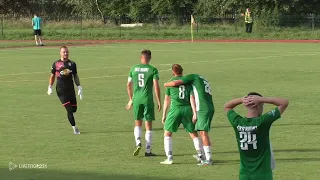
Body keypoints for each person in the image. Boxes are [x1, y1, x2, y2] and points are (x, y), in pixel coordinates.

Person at [224, 92, 289, 180]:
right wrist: (262, 99)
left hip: (244, 175)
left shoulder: (237, 122)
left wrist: (242, 99)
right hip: (262, 175)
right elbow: (284, 102)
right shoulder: (262, 122)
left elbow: (227, 106)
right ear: (259, 105)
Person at [164, 71, 214, 166]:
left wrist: (165, 84)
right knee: (197, 132)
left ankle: (208, 159)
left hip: (202, 108)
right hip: (208, 106)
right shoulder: (203, 79)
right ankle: (202, 156)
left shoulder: (193, 77)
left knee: (203, 133)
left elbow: (175, 83)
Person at [161, 64, 204, 165]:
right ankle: (201, 156)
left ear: (173, 72)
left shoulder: (170, 83)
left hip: (175, 110)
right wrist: (194, 113)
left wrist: (164, 115)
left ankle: (169, 157)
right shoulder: (188, 83)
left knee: (167, 133)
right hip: (187, 110)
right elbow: (191, 98)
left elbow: (167, 100)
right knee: (193, 133)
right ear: (182, 71)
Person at [126, 49, 161, 157]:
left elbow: (128, 85)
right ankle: (148, 150)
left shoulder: (133, 69)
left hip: (136, 100)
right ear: (150, 58)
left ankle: (138, 142)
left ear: (141, 58)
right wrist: (159, 101)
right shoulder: (153, 70)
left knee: (138, 123)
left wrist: (131, 99)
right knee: (148, 125)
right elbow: (156, 86)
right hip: (147, 100)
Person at [47, 46, 83, 134]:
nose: (66, 54)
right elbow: (52, 76)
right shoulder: (55, 64)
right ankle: (75, 128)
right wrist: (50, 87)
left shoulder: (72, 64)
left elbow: (75, 76)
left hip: (71, 90)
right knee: (69, 110)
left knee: (74, 109)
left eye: (67, 52)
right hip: (61, 90)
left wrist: (79, 87)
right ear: (60, 53)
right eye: (64, 52)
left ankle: (70, 116)